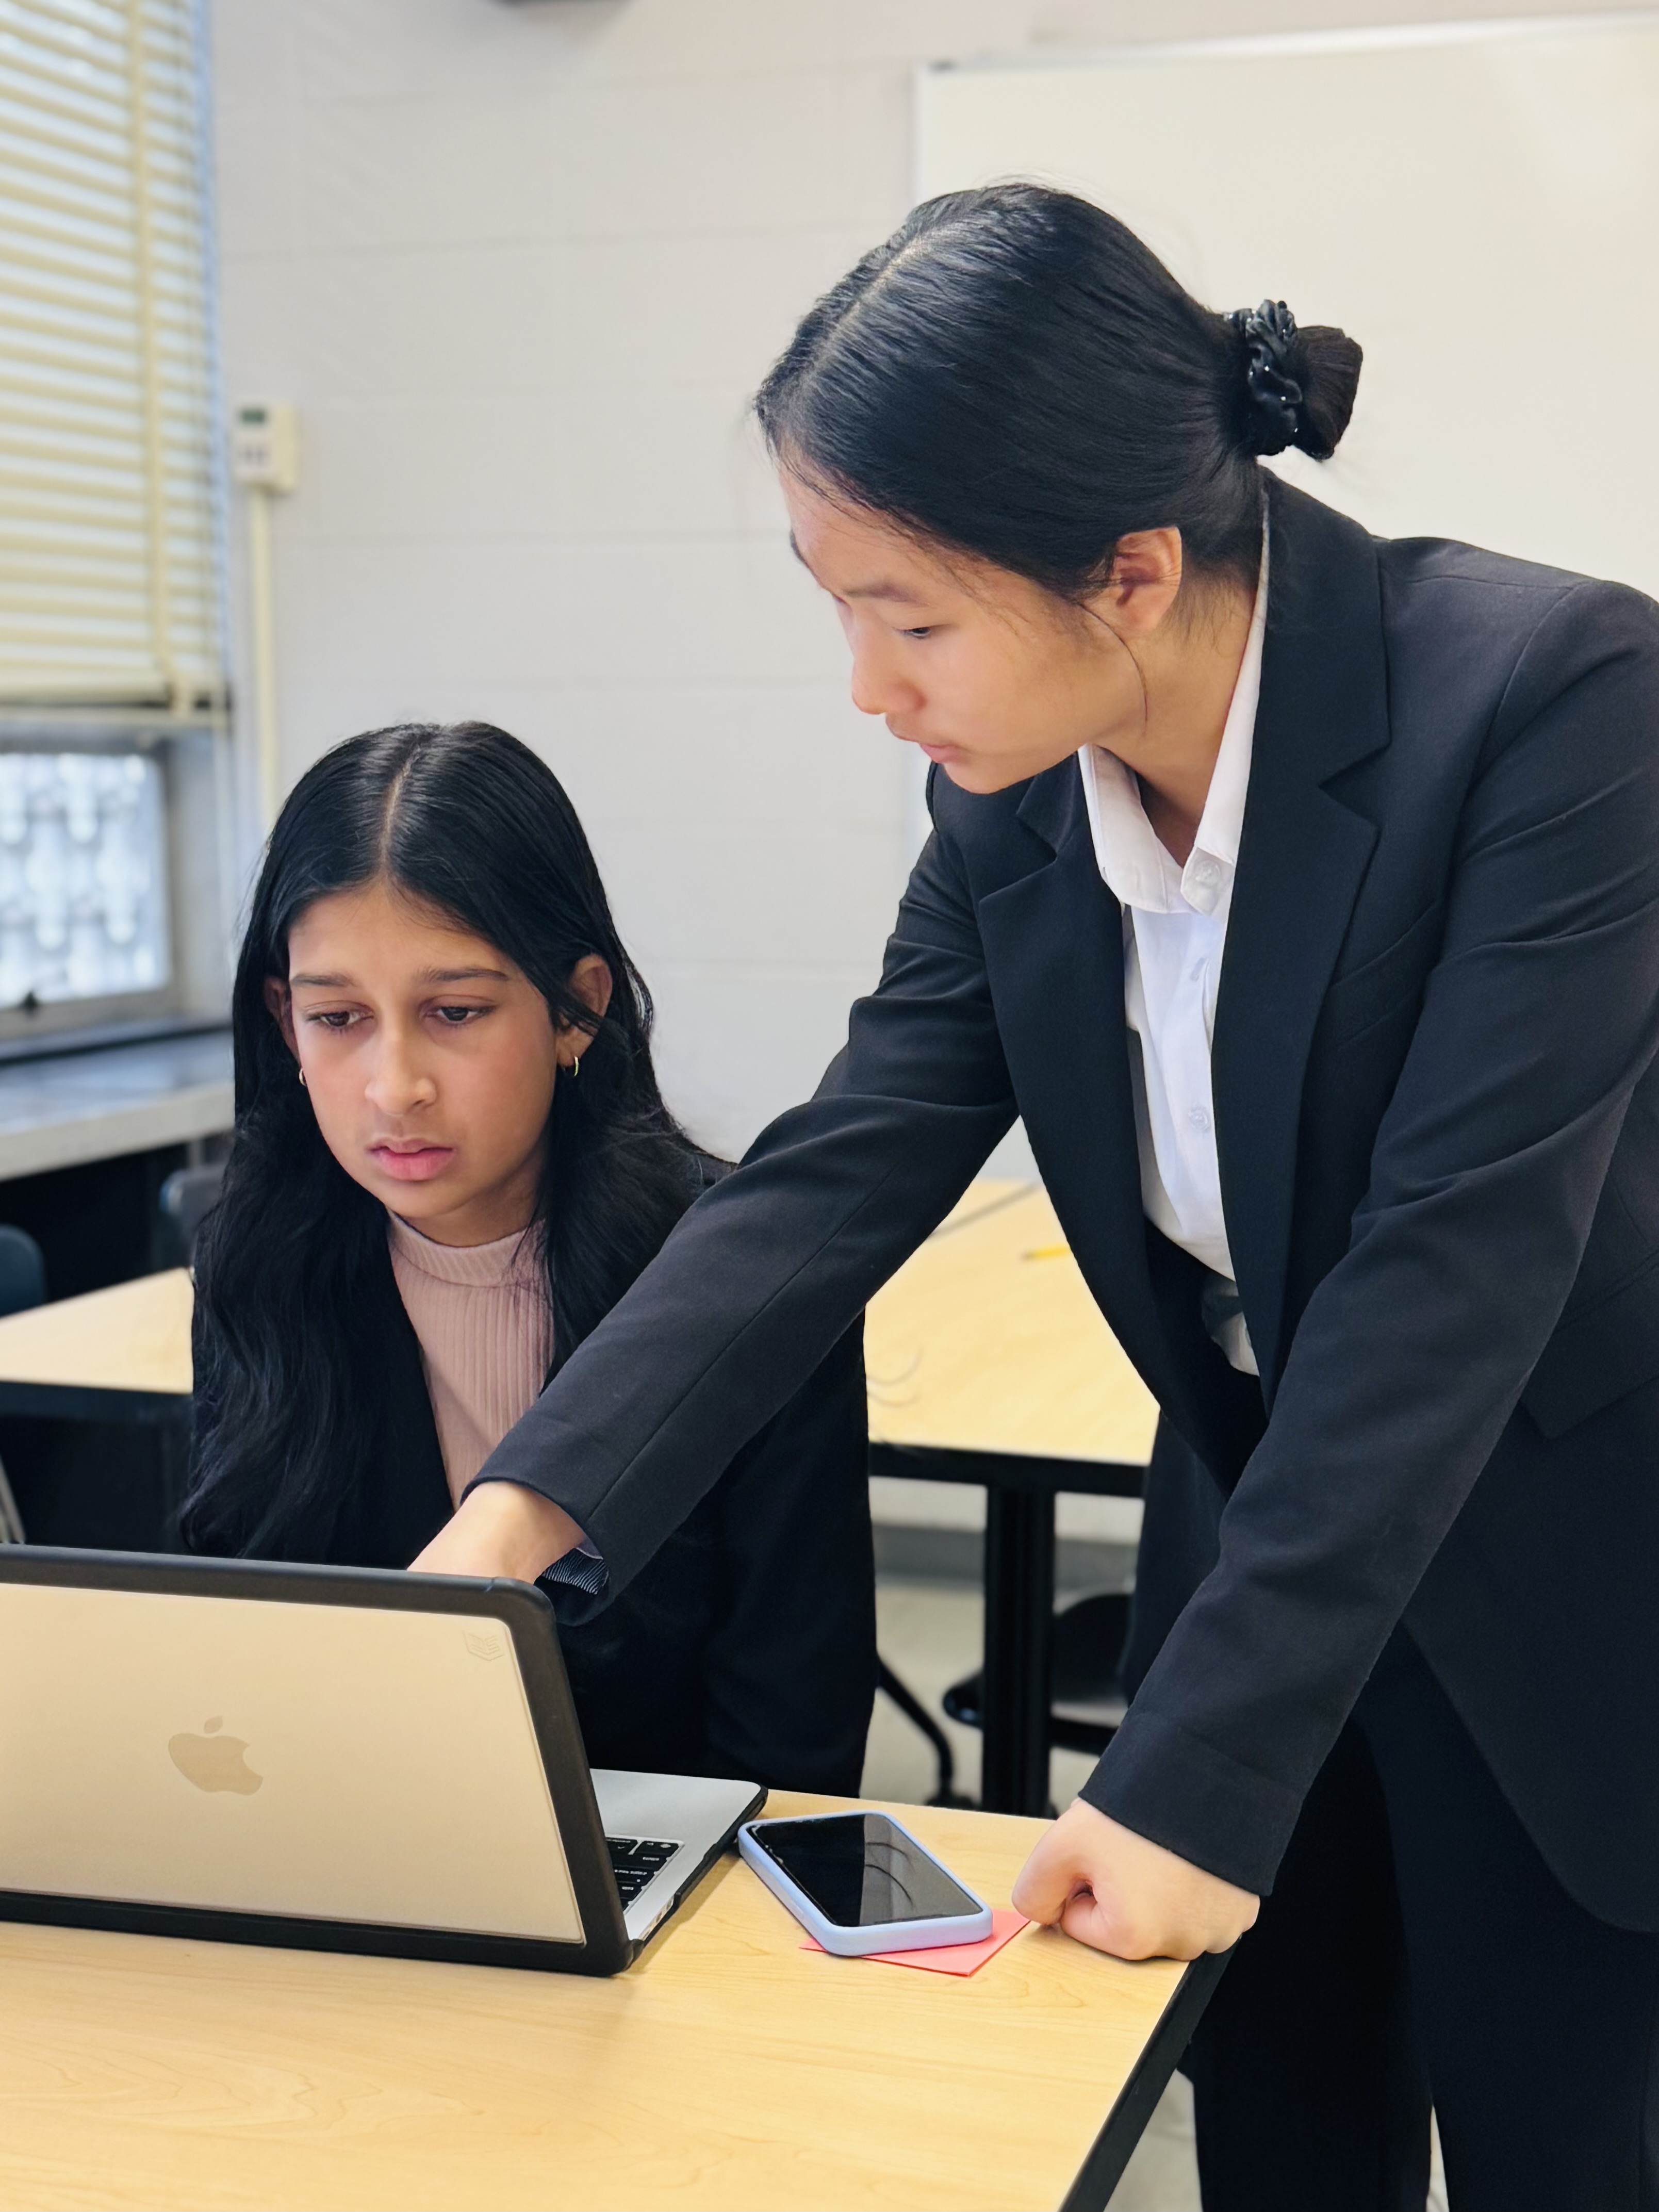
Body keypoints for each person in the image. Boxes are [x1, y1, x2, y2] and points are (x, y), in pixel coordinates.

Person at [410, 186, 1659, 2209]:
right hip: (1260, 1522)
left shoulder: (1555, 698)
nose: (867, 686)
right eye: (837, 608)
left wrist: (1190, 1772)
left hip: (1553, 1556)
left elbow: (1451, 1272)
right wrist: (524, 1517)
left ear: (1132, 572)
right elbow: (840, 1165)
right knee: (1280, 2136)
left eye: (906, 615)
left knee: (1562, 2149)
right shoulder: (1001, 794)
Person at [183, 720, 875, 1795]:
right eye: (338, 1018)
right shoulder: (262, 1263)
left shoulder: (734, 1273)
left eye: (453, 1012)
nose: (393, 1084)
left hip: (666, 1868)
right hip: (359, 1832)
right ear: (284, 1020)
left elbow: (794, 1728)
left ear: (577, 1008)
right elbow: (236, 1670)